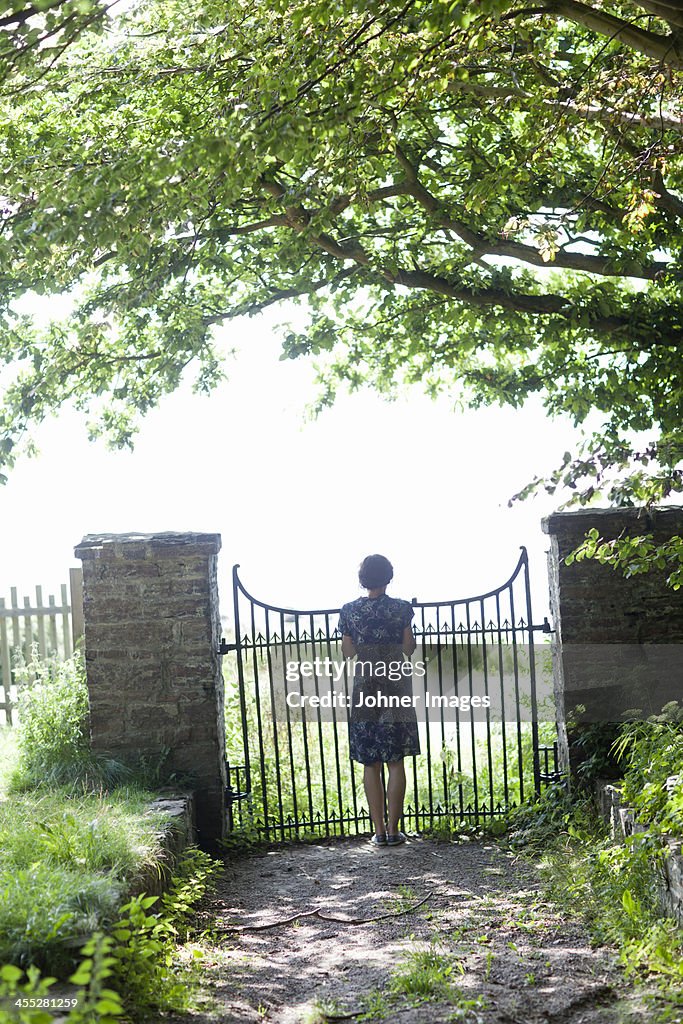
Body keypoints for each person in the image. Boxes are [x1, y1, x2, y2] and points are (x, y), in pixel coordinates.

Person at [338, 554, 421, 846]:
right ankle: (394, 829)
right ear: (388, 576)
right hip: (395, 684)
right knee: (395, 760)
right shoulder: (402, 609)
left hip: (365, 687)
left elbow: (348, 653)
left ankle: (378, 833)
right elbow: (409, 649)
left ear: (363, 579)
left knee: (369, 761)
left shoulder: (350, 611)